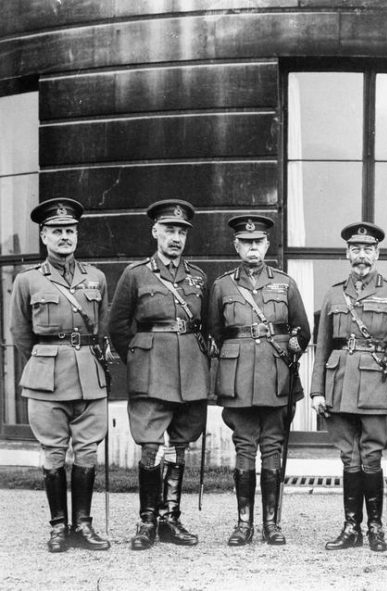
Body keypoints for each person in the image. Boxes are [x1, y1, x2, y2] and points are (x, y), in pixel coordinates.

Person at [108, 199, 210, 551]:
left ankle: (170, 518)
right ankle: (147, 520)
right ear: (155, 232)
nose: (176, 237)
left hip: (189, 371)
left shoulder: (197, 277)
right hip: (151, 371)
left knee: (180, 444)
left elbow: (206, 326)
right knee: (150, 445)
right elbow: (118, 326)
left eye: (181, 231)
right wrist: (138, 360)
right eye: (169, 230)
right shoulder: (135, 275)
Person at [10, 198, 111, 552]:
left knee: (87, 452)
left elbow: (102, 327)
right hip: (46, 378)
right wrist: (45, 359)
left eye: (70, 231)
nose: (64, 237)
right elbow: (21, 334)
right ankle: (57, 528)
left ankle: (82, 525)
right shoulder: (28, 281)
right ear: (44, 236)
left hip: (89, 375)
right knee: (53, 453)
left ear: (77, 235)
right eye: (57, 231)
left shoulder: (95, 277)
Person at [311, 222, 387, 552]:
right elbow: (322, 348)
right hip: (338, 386)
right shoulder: (332, 294)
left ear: (378, 254)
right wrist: (316, 391)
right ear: (347, 254)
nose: (362, 256)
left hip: (376, 387)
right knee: (348, 457)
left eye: (368, 250)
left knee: (371, 457)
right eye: (355, 250)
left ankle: (374, 528)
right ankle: (350, 528)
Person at [208, 215, 310, 546]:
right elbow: (213, 332)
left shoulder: (285, 283)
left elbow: (302, 330)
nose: (252, 247)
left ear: (266, 245)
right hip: (237, 379)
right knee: (243, 447)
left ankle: (270, 524)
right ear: (236, 246)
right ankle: (242, 524)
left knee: (272, 446)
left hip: (276, 375)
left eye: (258, 242)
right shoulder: (222, 286)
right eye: (246, 242)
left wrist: (293, 346)